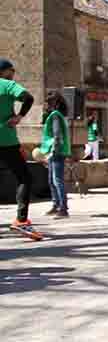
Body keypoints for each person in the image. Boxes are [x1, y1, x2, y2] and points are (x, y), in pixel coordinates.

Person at [0, 58, 36, 232]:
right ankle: (21, 220)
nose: (13, 74)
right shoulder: (7, 85)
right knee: (24, 178)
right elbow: (28, 98)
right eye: (11, 71)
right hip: (6, 140)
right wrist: (19, 116)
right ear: (3, 71)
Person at [40, 90, 71, 218]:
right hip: (55, 150)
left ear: (55, 103)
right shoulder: (58, 115)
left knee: (57, 180)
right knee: (52, 180)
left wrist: (53, 151)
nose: (46, 104)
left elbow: (57, 135)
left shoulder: (55, 115)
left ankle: (63, 208)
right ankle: (56, 205)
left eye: (48, 102)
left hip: (56, 151)